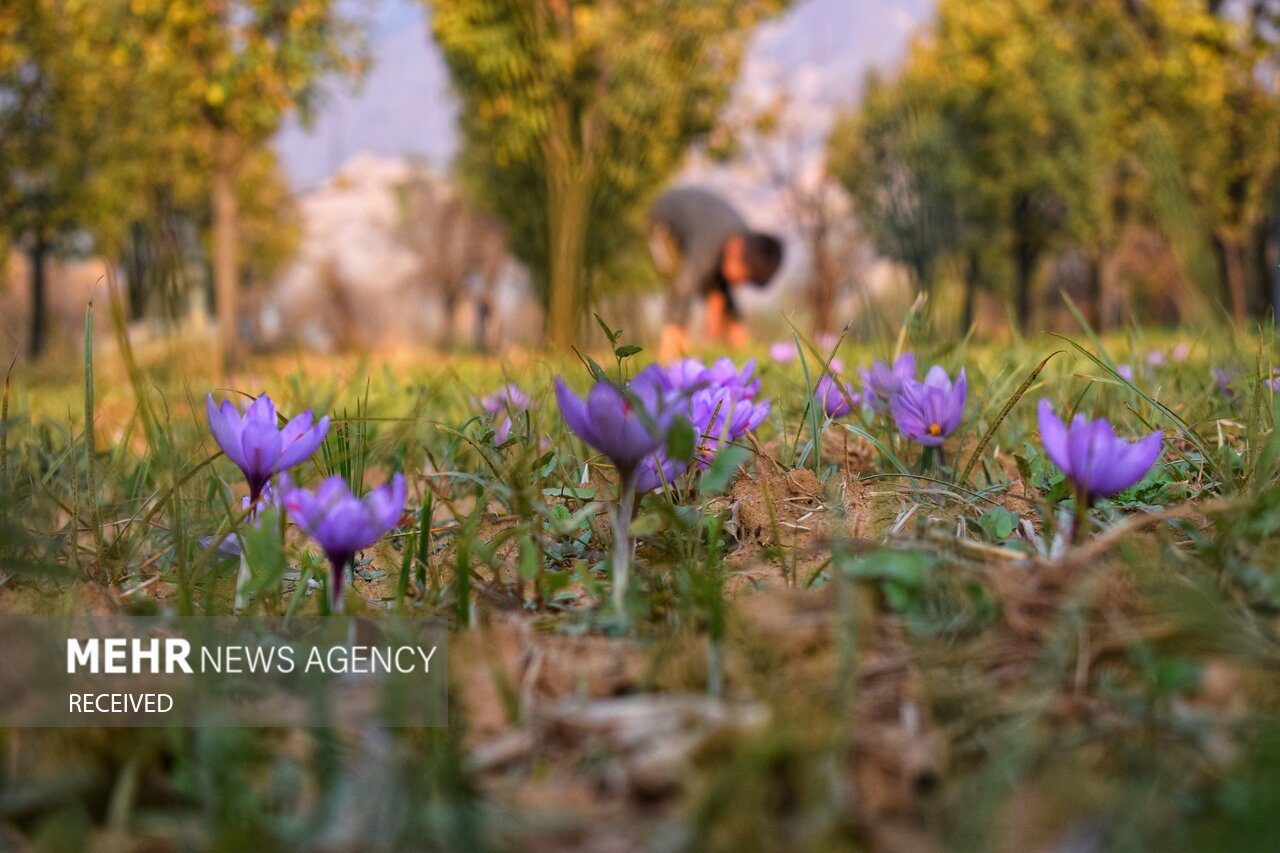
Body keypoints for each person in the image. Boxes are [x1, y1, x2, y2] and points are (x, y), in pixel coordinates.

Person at [648, 187, 784, 361]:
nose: (739, 283)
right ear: (737, 249)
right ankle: (671, 348)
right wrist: (675, 331)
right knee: (683, 280)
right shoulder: (709, 242)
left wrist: (719, 308)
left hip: (703, 233)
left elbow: (724, 283)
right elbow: (685, 286)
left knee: (720, 285)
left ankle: (736, 341)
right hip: (663, 221)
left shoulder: (743, 239)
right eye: (742, 276)